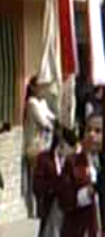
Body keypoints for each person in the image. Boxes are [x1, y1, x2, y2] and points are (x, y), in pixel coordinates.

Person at [23, 76, 57, 219]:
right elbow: (44, 122)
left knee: (42, 179)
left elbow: (52, 116)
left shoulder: (41, 103)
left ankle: (41, 208)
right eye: (41, 86)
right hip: (33, 147)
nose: (43, 89)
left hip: (43, 147)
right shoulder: (31, 103)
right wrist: (51, 123)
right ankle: (33, 210)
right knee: (35, 180)